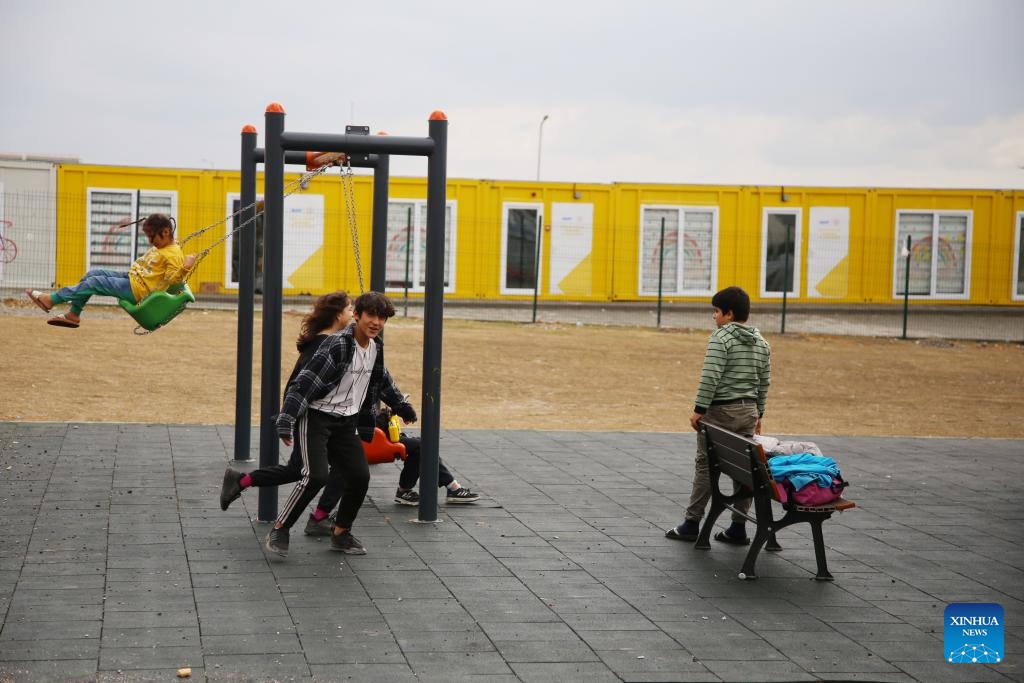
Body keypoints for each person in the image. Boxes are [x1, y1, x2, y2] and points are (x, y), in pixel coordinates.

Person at [264, 291, 410, 558]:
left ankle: (341, 533)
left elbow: (382, 380)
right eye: (371, 315)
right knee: (315, 475)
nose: (376, 322)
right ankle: (280, 527)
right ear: (357, 315)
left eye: (382, 318)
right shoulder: (337, 345)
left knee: (359, 475)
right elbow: (305, 382)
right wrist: (286, 419)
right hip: (317, 418)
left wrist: (401, 405)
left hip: (346, 422)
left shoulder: (375, 347)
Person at [665, 286, 771, 545]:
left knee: (706, 465)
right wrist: (759, 413)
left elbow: (711, 376)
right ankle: (738, 528)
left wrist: (699, 410)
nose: (714, 316)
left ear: (729, 314)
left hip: (721, 411)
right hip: (748, 411)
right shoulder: (762, 343)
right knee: (742, 469)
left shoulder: (721, 338)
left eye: (716, 311)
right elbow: (763, 382)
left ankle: (692, 523)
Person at [25, 213, 196, 328]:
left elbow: (172, 280)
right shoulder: (168, 245)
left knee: (94, 282)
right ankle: (74, 314)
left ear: (166, 232)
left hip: (139, 290)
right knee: (92, 274)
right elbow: (168, 252)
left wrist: (185, 268)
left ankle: (52, 299)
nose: (150, 241)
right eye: (148, 236)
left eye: (152, 236)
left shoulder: (173, 254)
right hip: (132, 279)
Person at [361, 403, 479, 506]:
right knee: (422, 446)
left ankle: (404, 491)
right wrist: (397, 410)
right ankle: (453, 487)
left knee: (420, 446)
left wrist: (395, 410)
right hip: (368, 435)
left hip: (369, 432)